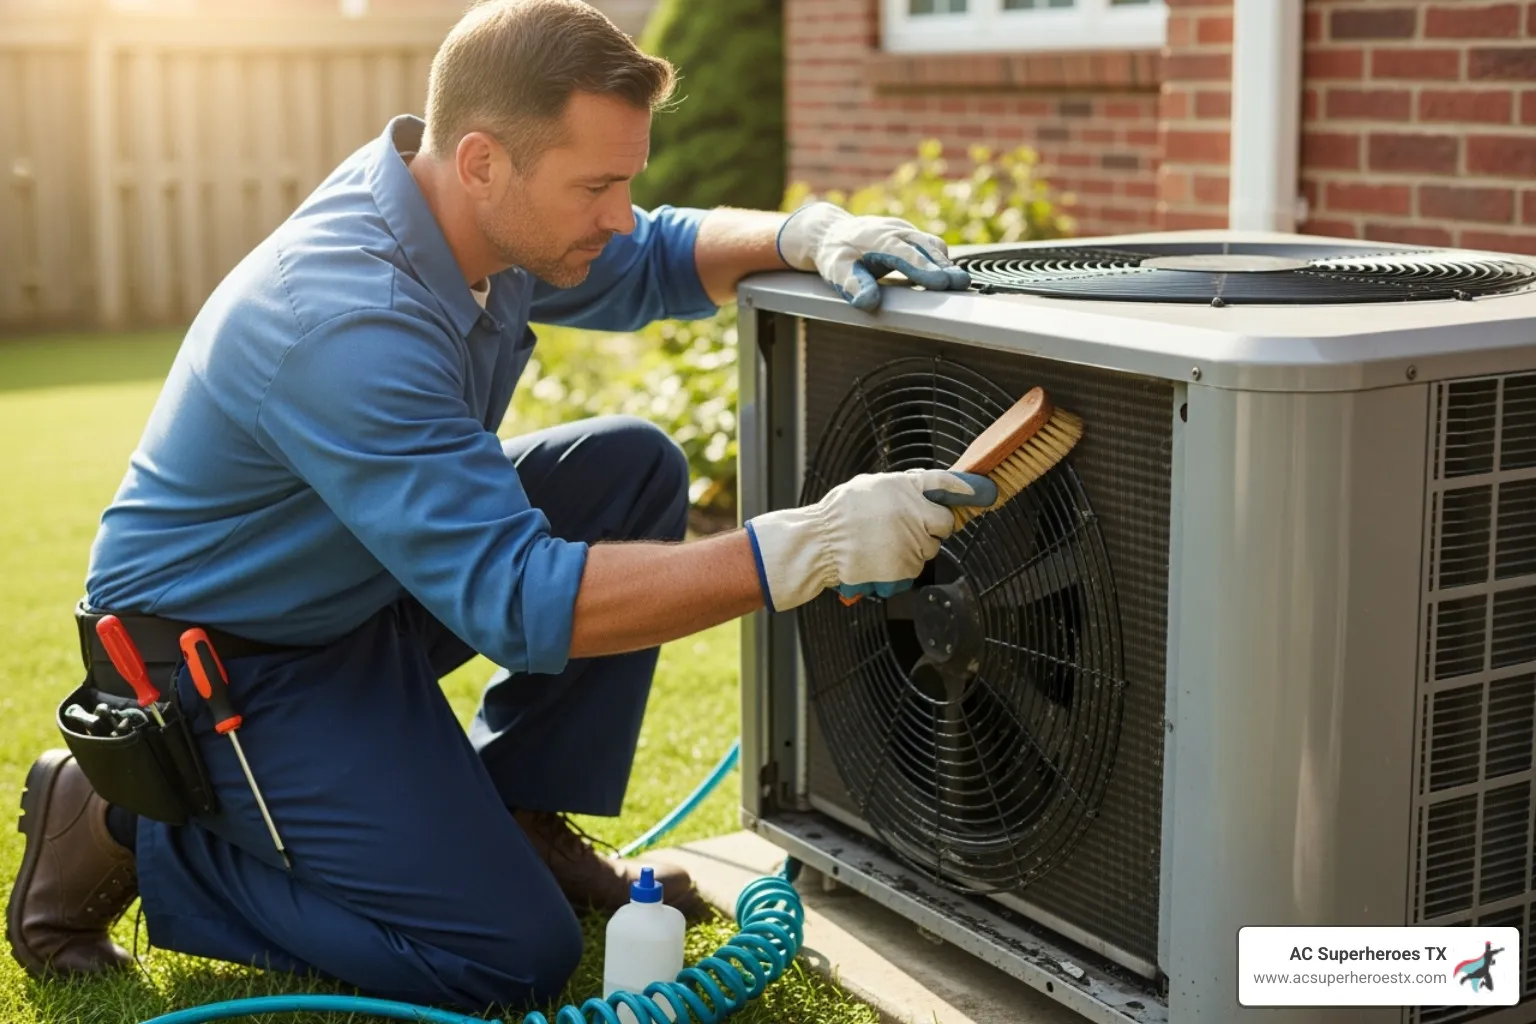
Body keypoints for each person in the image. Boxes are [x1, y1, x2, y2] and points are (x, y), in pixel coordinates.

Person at [4, 0, 986, 1013]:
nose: (618, 212)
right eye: (598, 185)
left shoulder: (465, 216)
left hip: (352, 582)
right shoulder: (344, 318)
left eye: (627, 179)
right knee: (508, 957)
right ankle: (147, 826)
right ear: (481, 162)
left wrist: (805, 232)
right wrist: (811, 545)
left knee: (629, 465)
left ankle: (522, 813)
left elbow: (653, 253)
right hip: (223, 663)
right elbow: (519, 598)